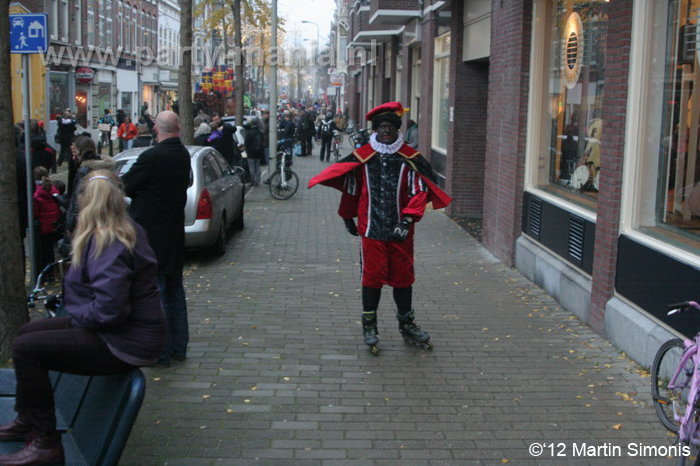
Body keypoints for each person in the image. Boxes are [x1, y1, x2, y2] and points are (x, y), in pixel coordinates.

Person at [0, 170, 166, 466]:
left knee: (28, 349)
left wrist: (77, 317)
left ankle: (46, 444)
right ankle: (27, 419)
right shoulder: (122, 228)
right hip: (117, 329)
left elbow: (109, 311)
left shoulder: (108, 239)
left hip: (124, 341)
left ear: (84, 204)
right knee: (27, 332)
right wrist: (78, 316)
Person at [308, 101, 452, 353]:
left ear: (397, 130)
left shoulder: (409, 158)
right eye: (382, 126)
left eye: (391, 127)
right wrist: (346, 217)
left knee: (403, 278)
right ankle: (369, 326)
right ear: (376, 129)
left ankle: (407, 325)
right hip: (371, 229)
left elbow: (418, 192)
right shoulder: (364, 156)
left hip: (401, 232)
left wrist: (407, 220)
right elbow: (352, 189)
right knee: (371, 278)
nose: (386, 130)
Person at [122, 111, 191, 368]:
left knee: (157, 291)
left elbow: (125, 185)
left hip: (152, 234)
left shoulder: (151, 157)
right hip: (174, 232)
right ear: (179, 129)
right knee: (175, 290)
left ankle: (160, 352)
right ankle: (179, 346)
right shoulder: (182, 154)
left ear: (156, 129)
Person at [61, 135, 116, 255]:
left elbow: (77, 202)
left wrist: (70, 226)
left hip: (87, 222)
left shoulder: (84, 171)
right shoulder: (107, 168)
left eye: (74, 150)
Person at [32, 168, 62, 276]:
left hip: (43, 227)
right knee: (53, 250)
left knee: (45, 251)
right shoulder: (54, 189)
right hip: (54, 225)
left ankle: (47, 274)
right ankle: (56, 271)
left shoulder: (36, 194)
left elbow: (35, 213)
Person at [244, 118, 264, 186]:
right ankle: (258, 181)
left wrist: (247, 150)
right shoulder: (260, 133)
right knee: (257, 166)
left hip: (250, 153)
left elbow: (246, 143)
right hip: (258, 152)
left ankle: (253, 181)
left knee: (251, 166)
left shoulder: (249, 133)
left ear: (251, 124)